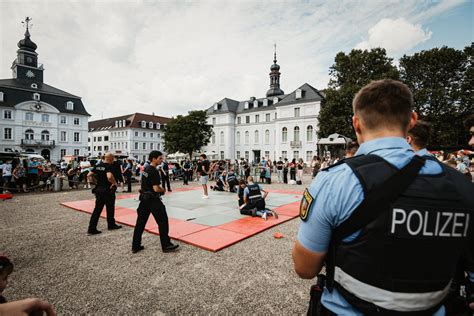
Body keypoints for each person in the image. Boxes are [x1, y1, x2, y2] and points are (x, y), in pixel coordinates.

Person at [292, 79, 474, 314]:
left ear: (356, 124)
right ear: (412, 121)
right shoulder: (461, 186)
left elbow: (305, 268)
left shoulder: (334, 181)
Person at [132, 150, 179, 253]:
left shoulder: (145, 169)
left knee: (140, 223)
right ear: (154, 159)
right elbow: (156, 188)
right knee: (163, 221)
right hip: (153, 199)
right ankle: (166, 245)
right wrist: (163, 190)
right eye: (160, 158)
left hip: (144, 199)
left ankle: (135, 245)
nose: (161, 160)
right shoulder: (153, 170)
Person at [86, 153, 122, 235]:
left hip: (99, 190)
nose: (113, 161)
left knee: (97, 210)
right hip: (107, 190)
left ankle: (91, 228)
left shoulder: (98, 165)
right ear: (109, 159)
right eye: (113, 159)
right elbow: (109, 176)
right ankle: (111, 224)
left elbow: (89, 174)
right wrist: (114, 183)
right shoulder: (108, 166)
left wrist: (93, 183)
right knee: (110, 208)